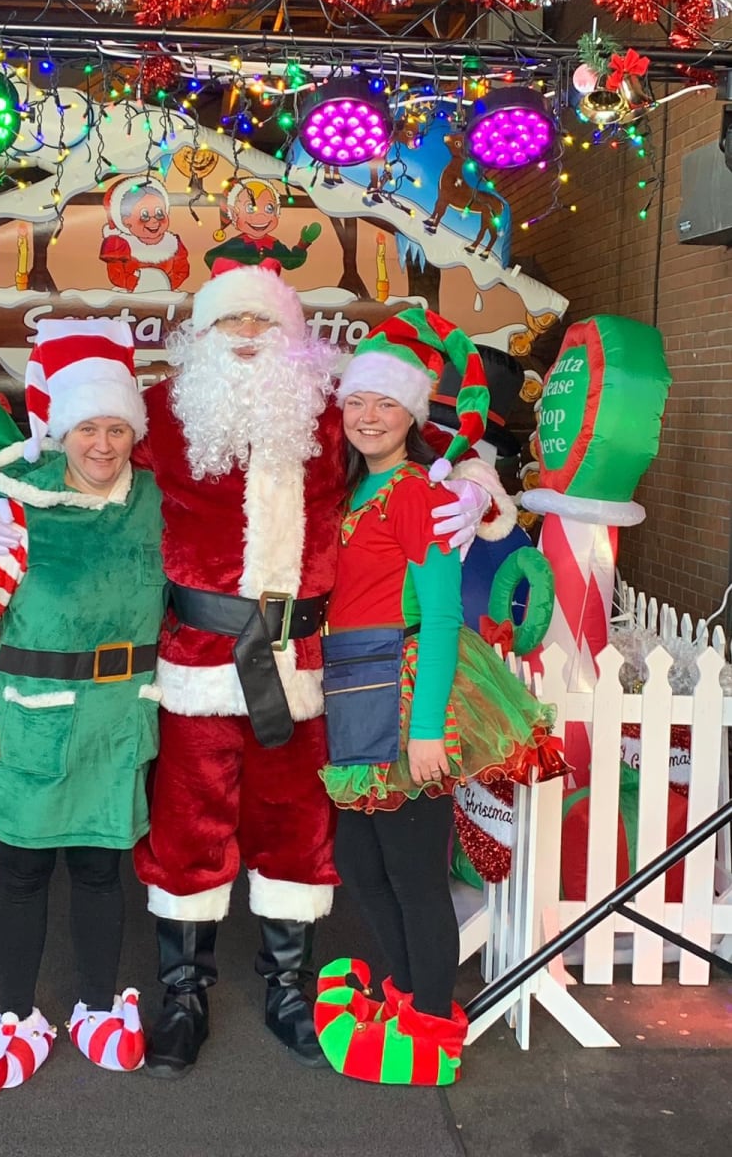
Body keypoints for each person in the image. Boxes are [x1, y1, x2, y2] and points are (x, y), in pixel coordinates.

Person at [0, 262, 515, 1080]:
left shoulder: (331, 413)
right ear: (203, 335)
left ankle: (288, 991)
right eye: (233, 322)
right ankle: (184, 995)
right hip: (197, 663)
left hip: (304, 669)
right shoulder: (160, 413)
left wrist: (476, 488)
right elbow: (79, 448)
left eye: (266, 322)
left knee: (296, 831)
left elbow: (422, 454)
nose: (250, 337)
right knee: (186, 833)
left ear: (295, 337)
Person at [312, 308, 564, 1086]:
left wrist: (427, 731)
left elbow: (446, 615)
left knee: (413, 872)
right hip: (358, 685)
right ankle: (405, 995)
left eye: (386, 403)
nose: (368, 416)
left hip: (405, 690)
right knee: (361, 861)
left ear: (413, 413)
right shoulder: (360, 491)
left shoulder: (424, 494)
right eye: (357, 401)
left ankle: (429, 1027)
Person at [0, 319, 165, 1093]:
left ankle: (97, 1006)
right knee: (24, 875)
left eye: (116, 428)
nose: (102, 444)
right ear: (61, 430)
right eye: (87, 428)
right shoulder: (18, 504)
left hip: (116, 725)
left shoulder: (155, 503)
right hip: (28, 720)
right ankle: (13, 1016)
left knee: (102, 873)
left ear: (133, 432)